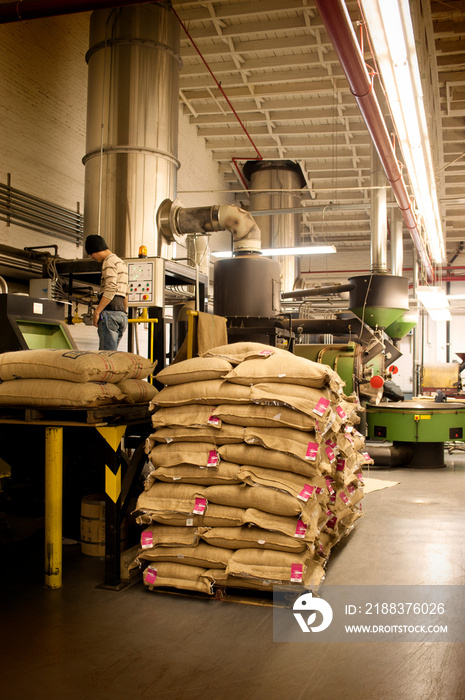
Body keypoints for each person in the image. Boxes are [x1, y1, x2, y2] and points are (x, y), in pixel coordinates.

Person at [84, 234, 129, 351]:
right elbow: (126, 292)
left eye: (91, 254)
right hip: (122, 315)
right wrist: (125, 312)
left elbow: (111, 287)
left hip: (110, 313)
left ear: (96, 249)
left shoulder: (109, 262)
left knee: (106, 357)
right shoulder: (121, 263)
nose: (92, 258)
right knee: (112, 356)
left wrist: (97, 312)